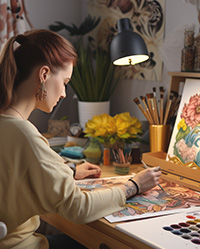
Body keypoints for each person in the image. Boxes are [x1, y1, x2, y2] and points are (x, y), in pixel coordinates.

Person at [0, 29, 162, 249]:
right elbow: (77, 207)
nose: (64, 93)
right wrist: (133, 186)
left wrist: (71, 172)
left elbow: (20, 173)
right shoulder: (25, 135)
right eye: (65, 81)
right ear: (44, 75)